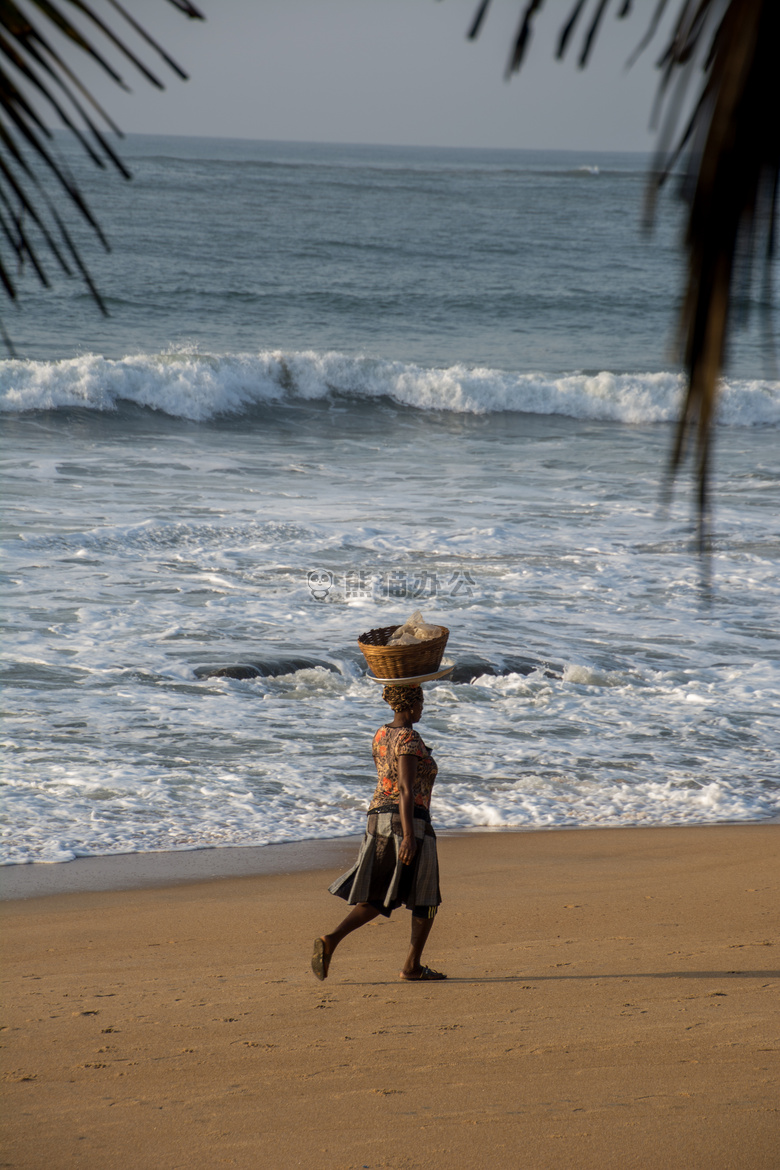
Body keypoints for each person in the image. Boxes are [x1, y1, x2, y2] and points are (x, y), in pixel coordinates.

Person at [311, 682, 445, 982]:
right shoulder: (409, 737)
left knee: (382, 893)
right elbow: (406, 789)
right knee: (426, 897)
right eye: (421, 703)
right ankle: (411, 967)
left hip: (377, 818)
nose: (423, 708)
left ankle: (331, 940)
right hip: (409, 821)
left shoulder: (382, 734)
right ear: (410, 705)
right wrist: (410, 835)